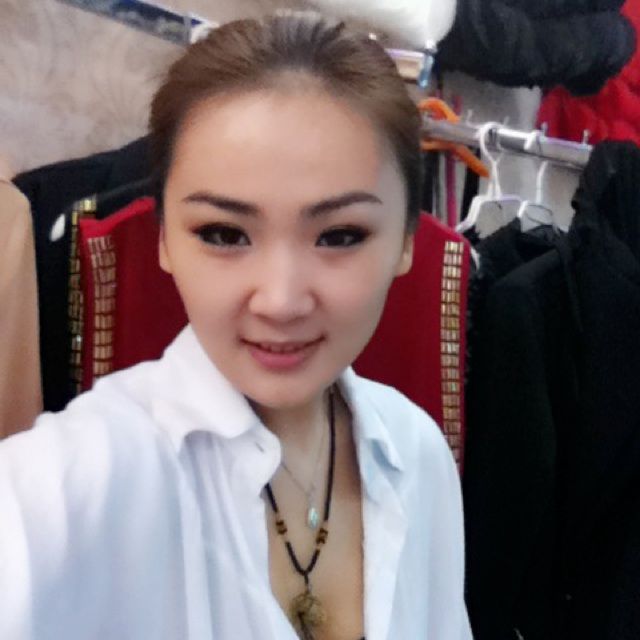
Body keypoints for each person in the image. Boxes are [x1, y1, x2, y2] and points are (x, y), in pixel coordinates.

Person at [0, 10, 472, 640]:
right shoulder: (74, 480)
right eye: (224, 234)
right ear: (164, 239)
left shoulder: (418, 453)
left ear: (407, 241)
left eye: (339, 235)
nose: (280, 301)